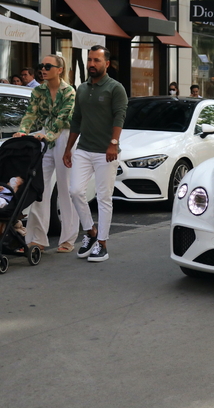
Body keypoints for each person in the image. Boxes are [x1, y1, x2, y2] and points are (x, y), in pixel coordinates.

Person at [62, 45, 128, 263]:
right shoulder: (81, 89)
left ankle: (102, 244)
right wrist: (68, 149)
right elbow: (76, 120)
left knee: (103, 197)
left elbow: (119, 117)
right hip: (84, 149)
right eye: (90, 60)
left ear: (106, 63)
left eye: (96, 60)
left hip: (105, 152)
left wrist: (113, 144)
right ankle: (90, 232)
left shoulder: (115, 88)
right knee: (75, 191)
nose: (92, 64)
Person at [13, 54, 79, 253]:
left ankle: (68, 239)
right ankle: (36, 239)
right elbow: (31, 114)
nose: (43, 69)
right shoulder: (38, 91)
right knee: (39, 188)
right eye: (41, 65)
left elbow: (61, 119)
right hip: (43, 137)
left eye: (48, 66)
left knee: (66, 189)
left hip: (65, 138)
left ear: (59, 69)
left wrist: (47, 135)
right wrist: (23, 130)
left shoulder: (69, 92)